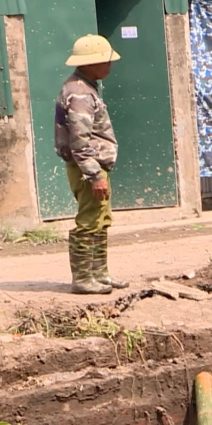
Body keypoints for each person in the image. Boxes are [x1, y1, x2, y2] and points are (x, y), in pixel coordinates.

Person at [54, 34, 127, 295]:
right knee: (89, 220)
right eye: (105, 61)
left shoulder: (86, 88)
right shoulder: (80, 94)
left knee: (101, 219)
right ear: (91, 62)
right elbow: (80, 141)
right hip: (89, 168)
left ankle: (100, 274)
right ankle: (84, 279)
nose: (109, 65)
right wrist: (95, 175)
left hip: (95, 166)